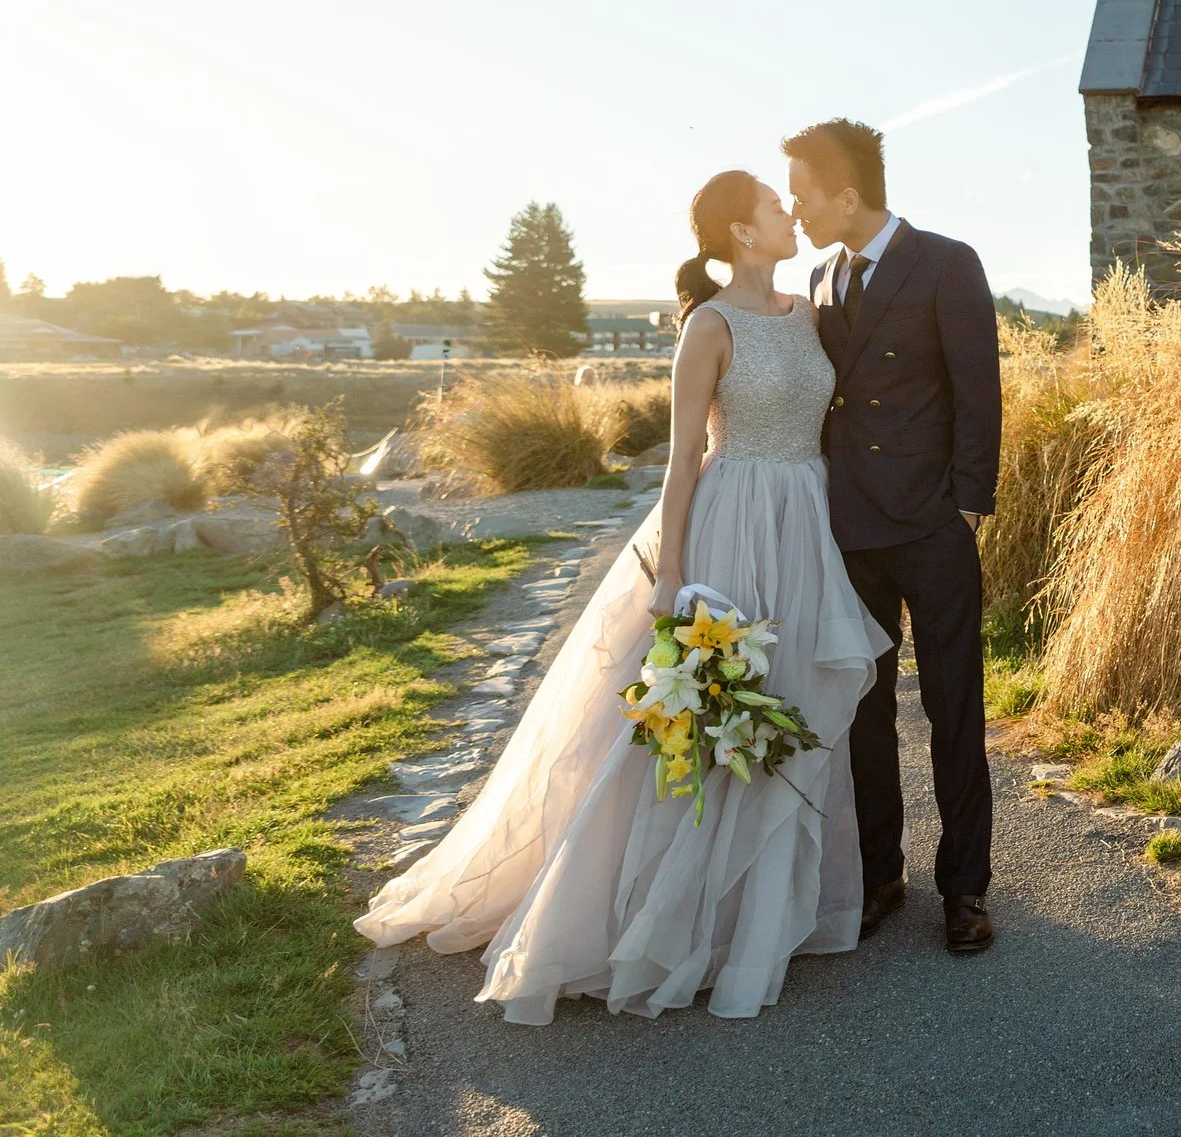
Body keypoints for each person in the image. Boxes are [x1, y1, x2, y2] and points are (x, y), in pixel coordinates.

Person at [353, 170, 889, 1022]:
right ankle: (676, 920)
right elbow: (682, 461)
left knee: (782, 704)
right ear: (742, 233)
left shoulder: (810, 311)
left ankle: (765, 910)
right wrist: (671, 571)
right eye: (776, 206)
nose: (791, 213)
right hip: (733, 522)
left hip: (805, 518)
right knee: (710, 719)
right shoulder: (708, 327)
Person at [782, 118, 1002, 956]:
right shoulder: (821, 272)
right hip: (852, 526)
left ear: (849, 193)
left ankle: (966, 887)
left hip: (932, 524)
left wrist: (968, 507)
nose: (797, 208)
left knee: (954, 707)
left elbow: (978, 392)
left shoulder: (948, 261)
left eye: (805, 193)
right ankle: (881, 874)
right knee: (864, 708)